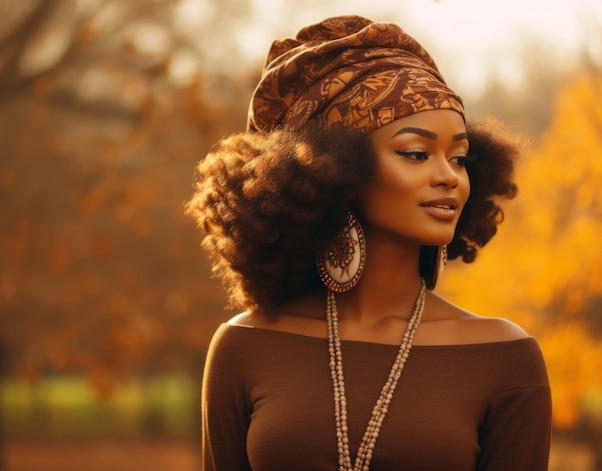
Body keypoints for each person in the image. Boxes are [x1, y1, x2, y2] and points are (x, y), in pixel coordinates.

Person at [186, 15, 552, 471]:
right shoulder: (245, 345)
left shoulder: (504, 358)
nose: (449, 177)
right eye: (416, 154)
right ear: (337, 170)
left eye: (458, 158)